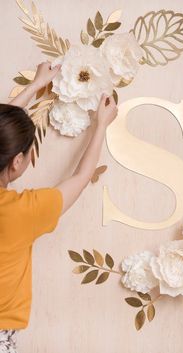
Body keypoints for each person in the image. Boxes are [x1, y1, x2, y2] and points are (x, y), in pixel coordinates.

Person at [0, 61, 118, 352]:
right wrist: (101, 124)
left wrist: (34, 86)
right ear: (17, 162)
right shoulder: (21, 210)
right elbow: (81, 177)